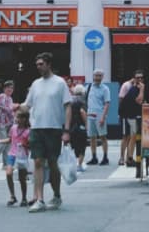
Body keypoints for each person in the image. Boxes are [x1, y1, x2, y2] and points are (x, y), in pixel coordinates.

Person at [22, 51, 72, 212]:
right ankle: (40, 199)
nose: (38, 67)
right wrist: (15, 107)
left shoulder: (60, 83)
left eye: (41, 64)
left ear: (49, 64)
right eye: (37, 64)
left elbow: (68, 106)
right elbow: (27, 105)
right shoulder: (35, 84)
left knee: (52, 163)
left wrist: (66, 130)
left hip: (54, 128)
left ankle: (56, 195)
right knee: (37, 162)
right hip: (36, 128)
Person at [5, 108, 31, 206]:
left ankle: (24, 198)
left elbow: (30, 145)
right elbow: (10, 139)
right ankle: (12, 196)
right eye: (16, 117)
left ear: (24, 119)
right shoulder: (13, 128)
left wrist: (26, 145)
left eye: (19, 117)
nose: (17, 119)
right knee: (8, 173)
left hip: (22, 156)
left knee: (22, 178)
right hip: (12, 154)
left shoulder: (28, 131)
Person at [119, 70, 145, 166]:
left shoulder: (138, 88)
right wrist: (142, 89)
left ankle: (129, 158)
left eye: (141, 78)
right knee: (126, 137)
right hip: (127, 116)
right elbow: (139, 100)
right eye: (137, 78)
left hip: (134, 116)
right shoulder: (131, 88)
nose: (139, 79)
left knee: (133, 137)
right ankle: (123, 158)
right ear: (134, 78)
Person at [85, 69, 110, 166]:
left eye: (99, 75)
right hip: (90, 114)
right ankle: (94, 157)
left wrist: (103, 117)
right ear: (93, 76)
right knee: (92, 137)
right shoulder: (88, 87)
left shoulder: (105, 89)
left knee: (103, 137)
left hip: (100, 114)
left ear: (102, 77)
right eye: (96, 75)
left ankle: (105, 157)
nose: (97, 77)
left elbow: (107, 104)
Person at [0, 79, 19, 166]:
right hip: (2, 123)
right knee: (3, 143)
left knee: (8, 144)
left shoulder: (10, 98)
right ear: (4, 89)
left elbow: (10, 111)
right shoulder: (2, 96)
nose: (10, 89)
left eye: (12, 88)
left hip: (10, 124)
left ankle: (6, 164)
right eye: (8, 88)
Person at [69, 85, 88, 172]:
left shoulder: (71, 101)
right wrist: (86, 124)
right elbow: (82, 112)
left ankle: (73, 164)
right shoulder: (82, 102)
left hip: (72, 127)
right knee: (82, 147)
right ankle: (79, 165)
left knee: (73, 146)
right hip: (80, 126)